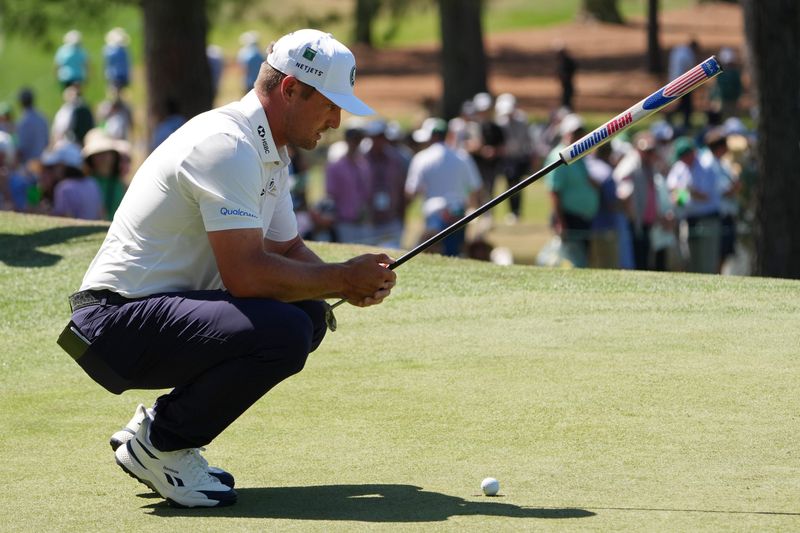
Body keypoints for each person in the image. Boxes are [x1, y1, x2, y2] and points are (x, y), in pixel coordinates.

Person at [57, 29, 395, 509]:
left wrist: (348, 281)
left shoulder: (267, 152)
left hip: (152, 313)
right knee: (283, 331)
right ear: (290, 89)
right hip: (112, 323)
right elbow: (247, 275)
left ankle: (159, 430)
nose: (336, 121)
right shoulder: (227, 144)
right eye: (329, 104)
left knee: (309, 316)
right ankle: (161, 445)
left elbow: (288, 248)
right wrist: (342, 276)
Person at [405, 118, 482, 257]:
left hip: (433, 212)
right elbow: (476, 188)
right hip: (458, 212)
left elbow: (411, 191)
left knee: (434, 255)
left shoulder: (421, 158)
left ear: (432, 136)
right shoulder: (462, 156)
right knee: (455, 254)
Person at [543, 113, 598, 268]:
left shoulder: (579, 155)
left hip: (582, 217)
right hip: (568, 217)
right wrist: (560, 221)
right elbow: (554, 190)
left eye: (581, 133)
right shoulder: (558, 156)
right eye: (575, 133)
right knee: (571, 262)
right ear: (566, 133)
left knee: (582, 260)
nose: (579, 136)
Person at [666, 136, 721, 274]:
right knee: (690, 261)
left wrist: (687, 191)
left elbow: (704, 196)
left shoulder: (706, 166)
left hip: (708, 219)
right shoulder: (679, 167)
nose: (683, 161)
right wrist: (683, 194)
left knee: (707, 262)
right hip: (689, 219)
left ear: (692, 153)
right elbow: (674, 192)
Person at [324, 122, 371, 243]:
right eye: (354, 139)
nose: (356, 143)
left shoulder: (363, 165)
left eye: (359, 139)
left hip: (362, 221)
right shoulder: (335, 166)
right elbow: (331, 194)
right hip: (344, 222)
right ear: (347, 140)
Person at [363, 119, 407, 248]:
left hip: (391, 219)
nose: (379, 140)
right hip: (369, 221)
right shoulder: (361, 158)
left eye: (382, 136)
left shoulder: (396, 159)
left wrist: (402, 216)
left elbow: (401, 188)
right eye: (376, 137)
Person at [494, 93, 532, 222]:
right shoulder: (500, 123)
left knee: (519, 185)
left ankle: (517, 211)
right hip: (507, 159)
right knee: (510, 185)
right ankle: (512, 212)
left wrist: (531, 153)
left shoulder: (522, 120)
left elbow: (528, 139)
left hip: (520, 157)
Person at [42, 140, 103, 220]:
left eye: (56, 166)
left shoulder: (64, 188)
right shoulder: (92, 182)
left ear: (63, 166)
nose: (53, 170)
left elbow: (63, 219)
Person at [82, 127, 131, 220]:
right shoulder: (87, 183)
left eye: (107, 153)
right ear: (91, 158)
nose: (104, 157)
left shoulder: (121, 184)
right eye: (98, 154)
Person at [667, 38, 699, 130]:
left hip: (675, 80)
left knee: (683, 104)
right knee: (686, 104)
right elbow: (689, 68)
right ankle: (685, 122)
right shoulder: (688, 54)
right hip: (685, 82)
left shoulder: (678, 51)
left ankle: (675, 118)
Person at [15, 88, 49, 166]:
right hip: (42, 162)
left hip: (29, 165)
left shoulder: (23, 122)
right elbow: (47, 142)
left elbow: (21, 148)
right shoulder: (42, 117)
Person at [555, 44, 577, 110]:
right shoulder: (562, 60)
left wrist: (564, 76)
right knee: (565, 100)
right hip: (565, 85)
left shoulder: (567, 61)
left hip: (568, 84)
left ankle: (568, 113)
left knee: (567, 100)